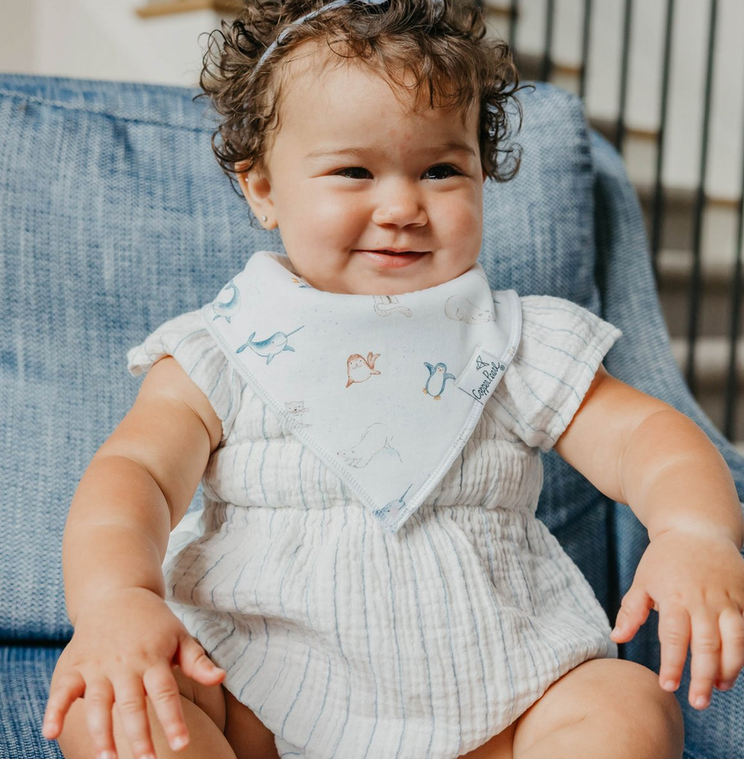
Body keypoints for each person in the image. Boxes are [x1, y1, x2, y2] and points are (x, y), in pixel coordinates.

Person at [42, 0, 744, 757]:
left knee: (628, 706)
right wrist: (116, 598)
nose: (403, 206)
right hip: (252, 694)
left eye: (442, 170)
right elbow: (138, 474)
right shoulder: (222, 348)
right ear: (263, 189)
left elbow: (645, 437)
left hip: (498, 697)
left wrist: (693, 531)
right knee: (112, 720)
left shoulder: (515, 342)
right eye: (353, 171)